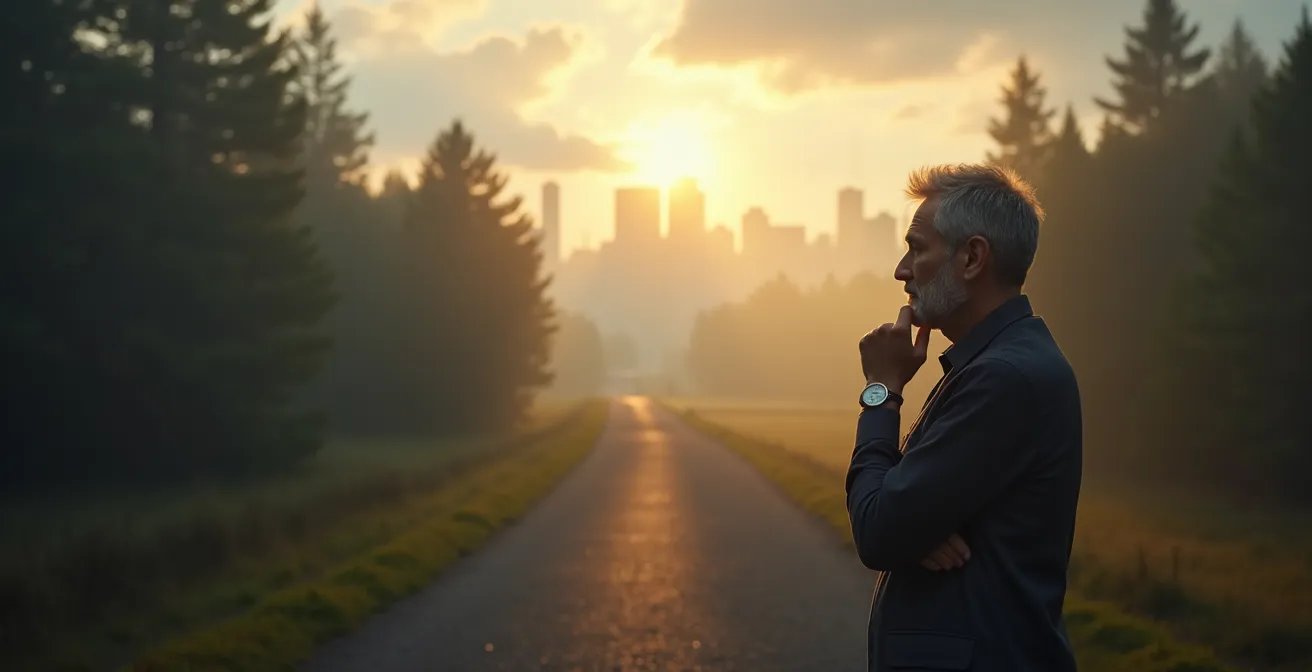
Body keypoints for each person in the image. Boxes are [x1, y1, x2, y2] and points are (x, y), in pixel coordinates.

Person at [847, 163, 1082, 671]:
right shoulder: (997, 364)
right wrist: (913, 526)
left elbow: (878, 529)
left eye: (917, 248)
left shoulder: (1004, 379)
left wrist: (881, 391)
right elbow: (899, 521)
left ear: (972, 257)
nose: (901, 270)